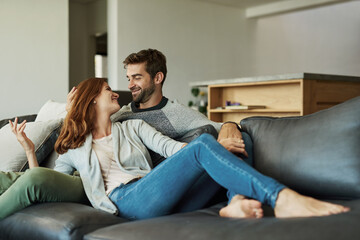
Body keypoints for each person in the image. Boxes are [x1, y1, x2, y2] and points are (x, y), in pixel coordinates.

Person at [5, 78, 349, 221]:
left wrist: (218, 144)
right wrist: (29, 149)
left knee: (237, 141)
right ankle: (282, 198)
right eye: (108, 90)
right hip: (126, 201)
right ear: (92, 98)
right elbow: (44, 180)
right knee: (204, 146)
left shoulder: (134, 127)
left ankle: (235, 203)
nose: (116, 93)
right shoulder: (76, 147)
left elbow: (172, 150)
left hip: (156, 193)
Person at [66, 49, 255, 216]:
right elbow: (83, 126)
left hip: (180, 183)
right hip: (148, 192)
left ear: (157, 78)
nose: (130, 84)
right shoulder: (121, 115)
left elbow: (216, 127)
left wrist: (230, 124)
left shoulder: (176, 114)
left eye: (137, 77)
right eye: (129, 78)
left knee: (243, 138)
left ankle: (237, 200)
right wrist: (69, 111)